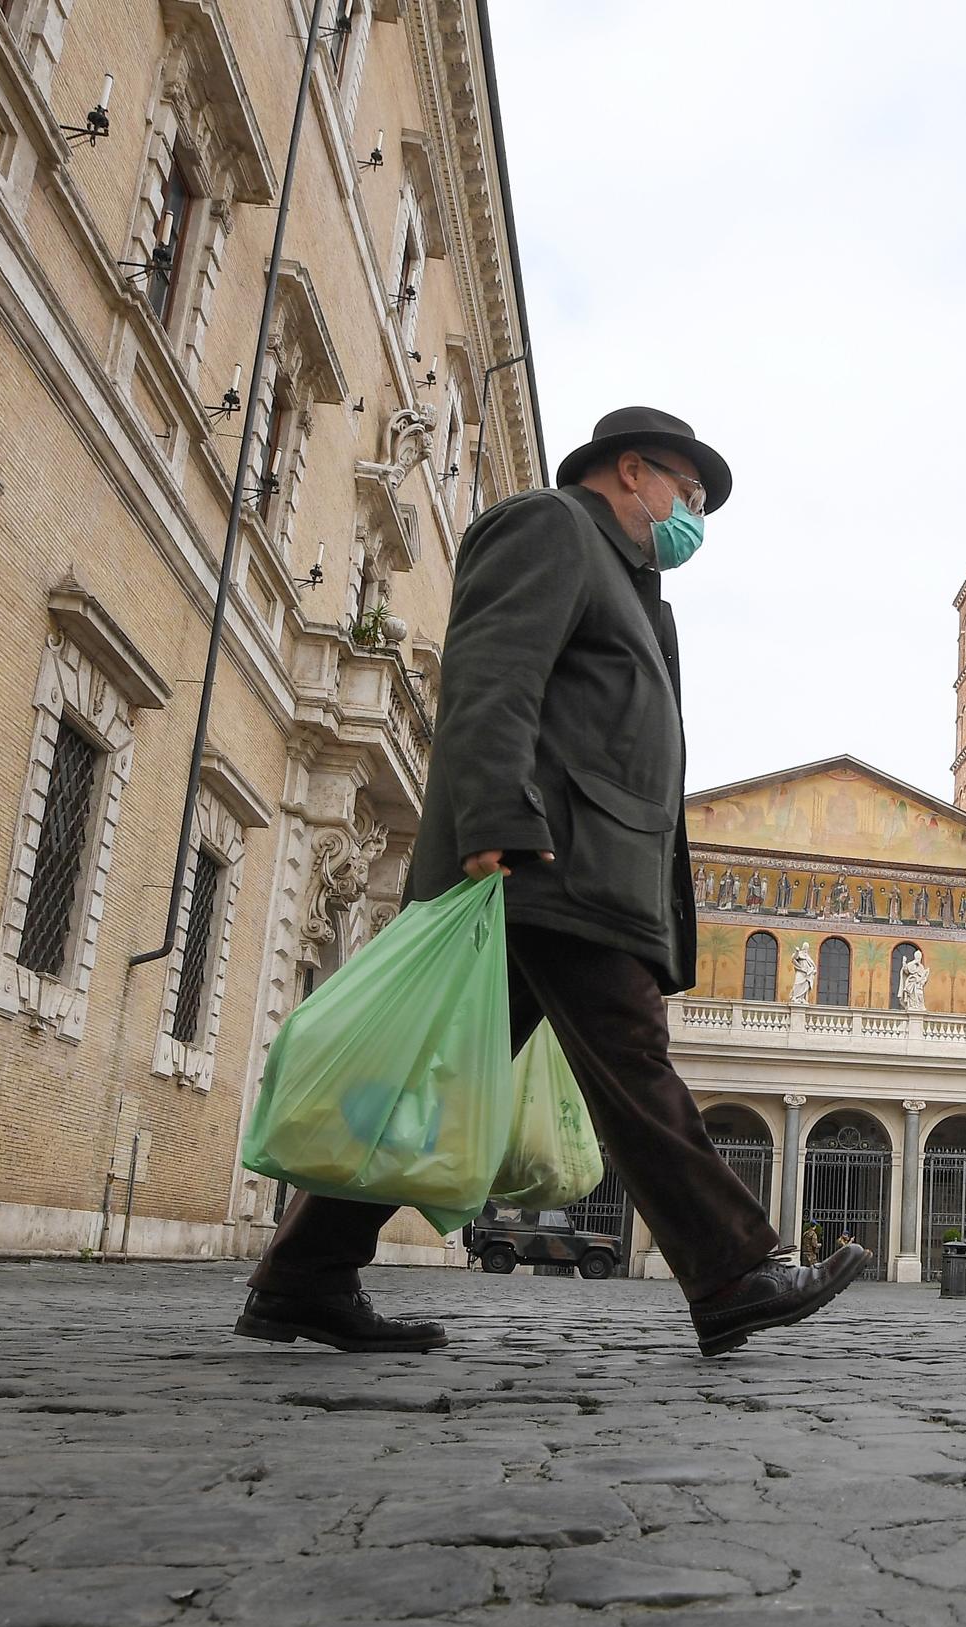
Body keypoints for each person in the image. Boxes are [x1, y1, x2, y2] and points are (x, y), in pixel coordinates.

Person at [238, 407, 869, 1356]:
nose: (694, 518)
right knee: (633, 1061)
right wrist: (493, 816)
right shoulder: (551, 527)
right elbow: (492, 673)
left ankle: (302, 1276)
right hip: (549, 865)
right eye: (687, 495)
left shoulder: (635, 589)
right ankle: (734, 1268)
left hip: (584, 873)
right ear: (629, 471)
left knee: (424, 1085)